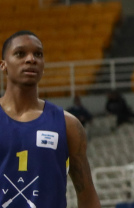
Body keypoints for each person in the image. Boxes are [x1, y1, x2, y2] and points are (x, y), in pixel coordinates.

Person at [0, 31, 101, 208]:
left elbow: (87, 193)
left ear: (44, 65)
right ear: (3, 65)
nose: (31, 59)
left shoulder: (68, 124)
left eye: (38, 54)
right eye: (20, 53)